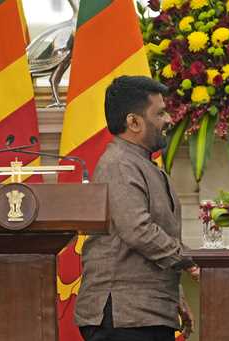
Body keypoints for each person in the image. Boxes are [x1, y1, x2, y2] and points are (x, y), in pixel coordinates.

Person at [75, 75, 199, 341]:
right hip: (122, 316)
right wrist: (191, 262)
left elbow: (153, 242)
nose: (168, 120)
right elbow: (138, 231)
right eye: (160, 113)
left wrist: (172, 297)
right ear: (133, 122)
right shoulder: (119, 164)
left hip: (145, 314)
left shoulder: (142, 164)